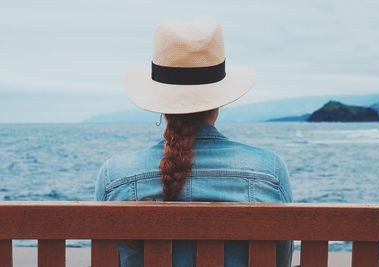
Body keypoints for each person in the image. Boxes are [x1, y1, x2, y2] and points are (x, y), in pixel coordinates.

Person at [95, 16, 293, 267]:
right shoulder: (269, 170)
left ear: (160, 101)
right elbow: (281, 260)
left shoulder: (115, 175)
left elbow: (106, 259)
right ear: (219, 99)